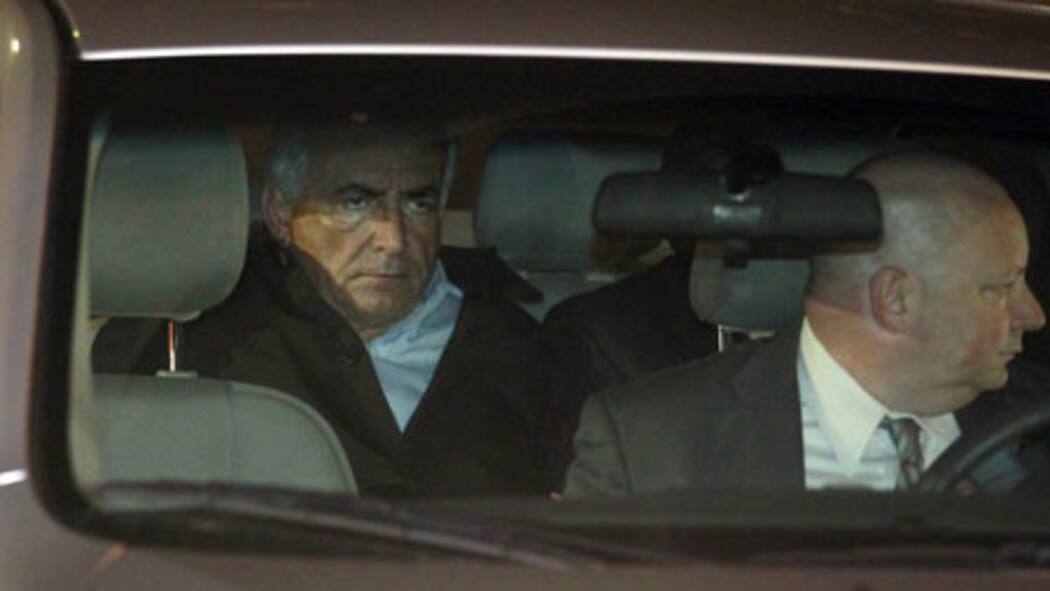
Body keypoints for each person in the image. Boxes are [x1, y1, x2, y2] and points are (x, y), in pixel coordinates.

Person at [95, 116, 554, 497]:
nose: (393, 240)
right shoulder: (188, 344)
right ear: (280, 213)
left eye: (418, 204)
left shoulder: (527, 350)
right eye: (355, 203)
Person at [564, 151, 1049, 498]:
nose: (1034, 315)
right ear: (895, 300)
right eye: (1001, 288)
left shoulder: (1037, 423)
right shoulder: (651, 444)